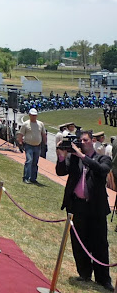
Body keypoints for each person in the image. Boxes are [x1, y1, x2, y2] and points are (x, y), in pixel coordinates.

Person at [56, 130, 113, 290]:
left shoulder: (103, 158)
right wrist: (61, 155)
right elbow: (61, 171)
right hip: (77, 206)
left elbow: (102, 170)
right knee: (79, 242)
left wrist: (82, 156)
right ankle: (84, 273)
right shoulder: (74, 159)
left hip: (96, 208)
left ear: (92, 141)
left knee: (100, 244)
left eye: (85, 140)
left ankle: (103, 279)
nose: (82, 143)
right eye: (80, 140)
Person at [16, 108, 47, 184]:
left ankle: (33, 178)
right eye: (32, 115)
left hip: (37, 145)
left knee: (35, 162)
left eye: (35, 115)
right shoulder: (26, 124)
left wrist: (45, 144)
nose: (34, 117)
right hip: (28, 145)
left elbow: (43, 134)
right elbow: (21, 134)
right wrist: (20, 144)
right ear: (29, 115)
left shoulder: (40, 124)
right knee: (29, 161)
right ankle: (26, 177)